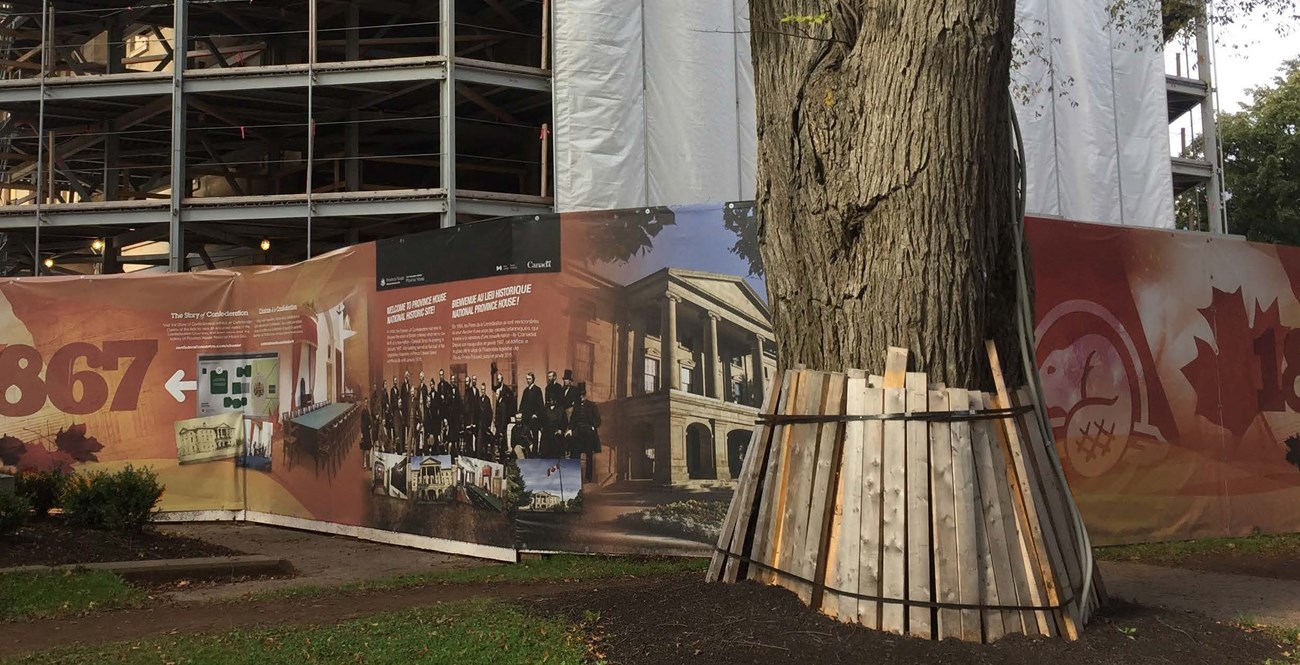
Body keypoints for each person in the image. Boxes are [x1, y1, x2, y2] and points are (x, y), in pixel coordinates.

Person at [568, 383, 601, 483]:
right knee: (575, 454)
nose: (581, 397)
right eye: (579, 395)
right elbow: (572, 420)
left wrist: (593, 426)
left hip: (588, 434)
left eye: (582, 395)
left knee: (589, 456)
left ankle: (588, 478)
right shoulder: (576, 406)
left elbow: (598, 420)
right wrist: (570, 428)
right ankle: (575, 476)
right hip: (578, 433)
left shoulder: (592, 405)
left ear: (585, 395)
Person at [519, 372, 544, 456]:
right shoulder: (526, 391)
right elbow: (522, 404)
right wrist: (520, 412)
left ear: (533, 379)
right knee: (525, 433)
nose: (528, 381)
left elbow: (540, 404)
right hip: (526, 417)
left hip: (534, 417)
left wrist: (536, 414)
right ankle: (528, 451)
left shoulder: (537, 390)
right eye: (527, 379)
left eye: (529, 379)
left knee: (535, 435)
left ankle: (534, 453)